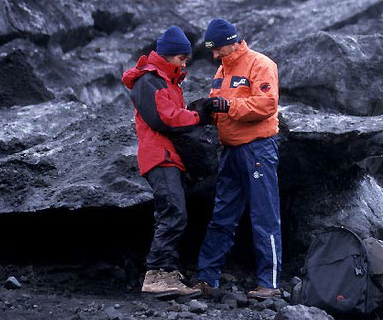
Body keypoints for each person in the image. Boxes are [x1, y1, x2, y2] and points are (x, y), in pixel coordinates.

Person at [192, 18, 282, 299]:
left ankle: (269, 283)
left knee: (263, 215)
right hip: (230, 151)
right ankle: (207, 278)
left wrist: (228, 105)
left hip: (258, 149)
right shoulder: (221, 71)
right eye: (212, 50)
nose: (214, 55)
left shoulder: (261, 64)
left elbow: (267, 104)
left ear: (231, 41)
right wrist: (206, 112)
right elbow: (222, 106)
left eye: (217, 48)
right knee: (222, 215)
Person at [121, 25, 208, 297]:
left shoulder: (167, 82)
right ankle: (157, 275)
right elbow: (164, 117)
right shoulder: (149, 81)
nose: (184, 64)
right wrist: (199, 116)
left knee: (172, 213)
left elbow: (171, 113)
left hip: (168, 157)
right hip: (159, 157)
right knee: (173, 213)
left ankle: (165, 274)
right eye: (181, 58)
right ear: (169, 55)